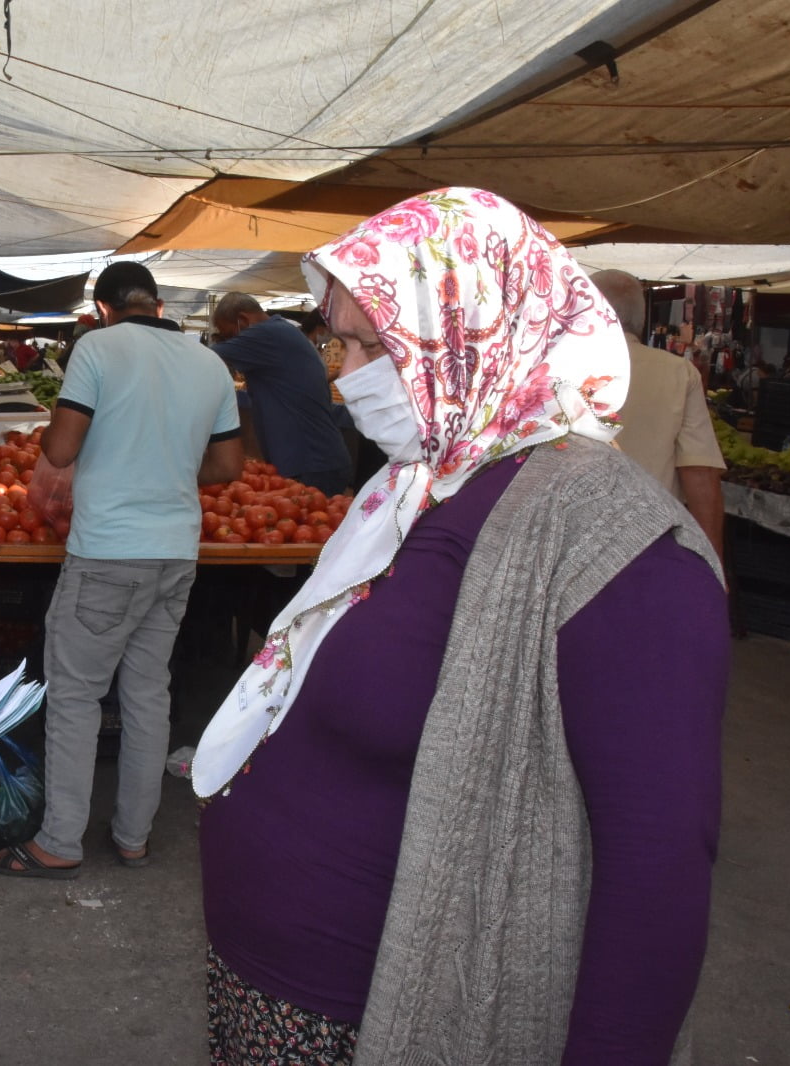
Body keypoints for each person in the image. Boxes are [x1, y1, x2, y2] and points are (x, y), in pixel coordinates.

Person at [195, 189, 727, 1065]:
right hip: (273, 983)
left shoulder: (616, 544)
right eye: (340, 340)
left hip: (390, 1011)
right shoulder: (415, 487)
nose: (344, 371)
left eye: (374, 345)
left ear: (480, 332)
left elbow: (657, 868)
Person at [0, 261, 242, 878]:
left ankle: (60, 843)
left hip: (108, 552)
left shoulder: (98, 348)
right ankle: (133, 836)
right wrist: (170, 471)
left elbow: (61, 448)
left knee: (75, 696)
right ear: (155, 303)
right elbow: (228, 465)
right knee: (149, 694)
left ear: (103, 308)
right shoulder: (208, 362)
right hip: (176, 551)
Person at [591, 269, 726, 561]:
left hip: (568, 547)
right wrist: (712, 564)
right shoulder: (678, 373)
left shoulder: (551, 370)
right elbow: (700, 472)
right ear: (641, 320)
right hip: (648, 547)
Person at [210, 293, 353, 494]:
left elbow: (205, 356)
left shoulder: (267, 334)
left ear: (243, 320)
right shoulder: (281, 332)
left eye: (228, 335)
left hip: (312, 464)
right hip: (314, 461)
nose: (229, 341)